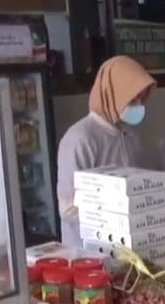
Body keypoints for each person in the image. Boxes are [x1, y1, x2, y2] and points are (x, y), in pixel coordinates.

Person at [57, 56, 156, 248]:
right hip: (88, 252)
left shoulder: (129, 135)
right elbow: (68, 208)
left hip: (126, 248)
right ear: (111, 94)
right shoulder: (80, 139)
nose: (138, 106)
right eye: (132, 99)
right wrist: (117, 211)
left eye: (141, 99)